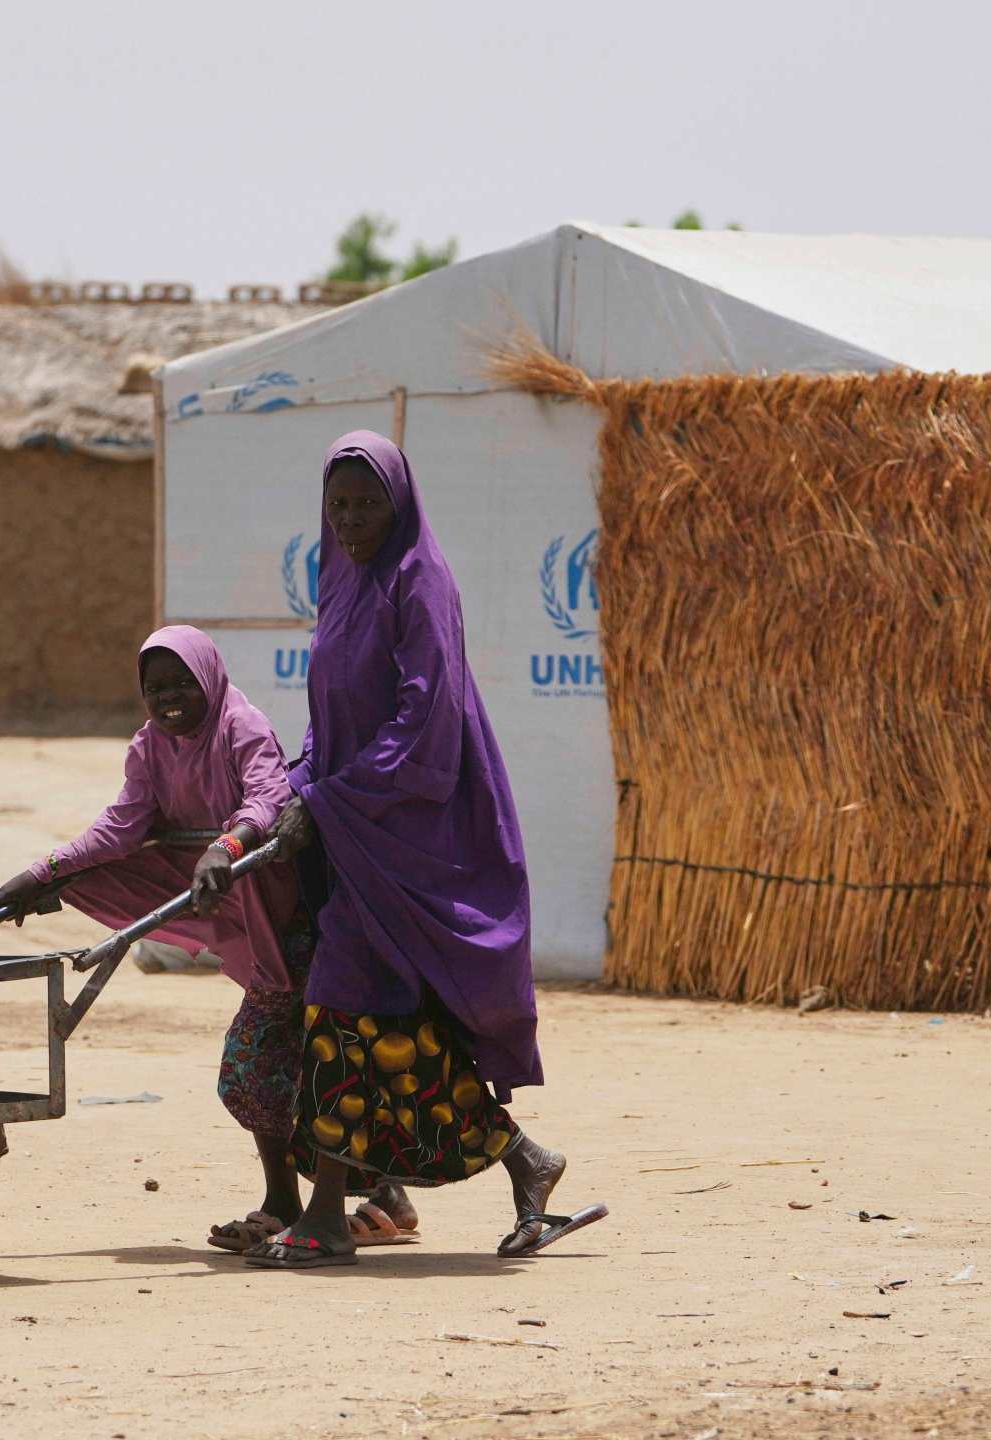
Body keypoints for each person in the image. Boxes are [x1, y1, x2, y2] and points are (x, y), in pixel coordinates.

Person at [249, 431, 600, 1270]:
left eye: (369, 503)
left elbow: (426, 723)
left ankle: (330, 1217)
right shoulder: (341, 585)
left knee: (340, 1002)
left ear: (400, 502)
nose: (353, 519)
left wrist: (327, 799)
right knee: (389, 1024)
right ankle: (527, 1161)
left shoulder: (420, 582)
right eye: (339, 506)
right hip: (355, 831)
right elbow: (332, 712)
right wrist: (296, 789)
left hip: (415, 831)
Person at [0, 626, 415, 1252]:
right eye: (155, 689)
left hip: (300, 924)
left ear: (209, 677)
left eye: (183, 683)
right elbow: (121, 827)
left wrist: (225, 845)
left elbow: (268, 797)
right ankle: (338, 1199)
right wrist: (45, 873)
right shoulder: (150, 747)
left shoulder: (243, 727)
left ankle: (334, 1202)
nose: (170, 698)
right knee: (276, 1071)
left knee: (261, 1067)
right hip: (250, 922)